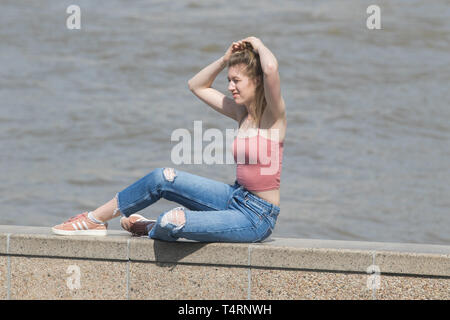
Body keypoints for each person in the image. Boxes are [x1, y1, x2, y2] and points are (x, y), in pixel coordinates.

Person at [52, 36, 287, 242]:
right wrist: (225, 59)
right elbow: (196, 85)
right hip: (234, 197)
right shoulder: (241, 113)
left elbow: (270, 68)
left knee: (171, 221)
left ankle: (150, 226)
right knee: (161, 178)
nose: (230, 87)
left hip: (257, 216)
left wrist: (256, 42)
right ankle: (94, 219)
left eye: (237, 80)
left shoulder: (273, 117)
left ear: (256, 81)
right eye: (229, 79)